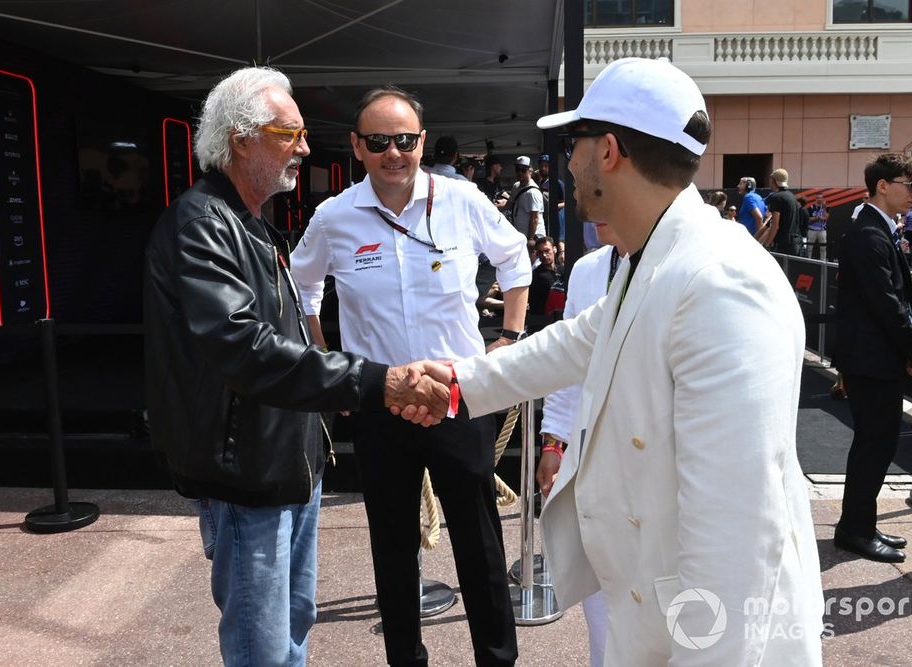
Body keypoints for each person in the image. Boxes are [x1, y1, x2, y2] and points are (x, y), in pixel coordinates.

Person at [403, 57, 824, 664]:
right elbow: (579, 340)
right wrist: (458, 386)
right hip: (649, 608)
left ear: (607, 151)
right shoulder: (651, 254)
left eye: (574, 142)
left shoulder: (721, 282)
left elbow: (736, 531)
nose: (567, 162)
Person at [142, 68, 447, 667]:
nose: (306, 147)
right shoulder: (202, 224)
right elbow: (243, 348)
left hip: (288, 467)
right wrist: (371, 380)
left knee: (290, 629)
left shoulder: (252, 225)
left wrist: (331, 386)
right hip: (247, 479)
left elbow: (286, 334)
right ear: (240, 138)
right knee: (263, 647)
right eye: (290, 133)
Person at [290, 86, 528, 666]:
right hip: (380, 403)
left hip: (458, 397)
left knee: (480, 546)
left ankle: (497, 659)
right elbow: (302, 287)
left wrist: (509, 340)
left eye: (405, 140)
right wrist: (329, 366)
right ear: (356, 147)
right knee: (392, 547)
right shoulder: (334, 216)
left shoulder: (462, 200)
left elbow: (516, 258)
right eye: (378, 142)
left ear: (422, 141)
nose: (393, 153)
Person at [832, 152, 912, 563]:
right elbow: (886, 302)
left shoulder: (876, 229)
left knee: (877, 442)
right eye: (909, 185)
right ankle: (854, 530)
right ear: (883, 185)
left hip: (873, 357)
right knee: (875, 443)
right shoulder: (869, 233)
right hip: (870, 359)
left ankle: (861, 524)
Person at [536, 219, 626, 667]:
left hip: (660, 468)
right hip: (592, 460)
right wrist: (554, 440)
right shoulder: (588, 269)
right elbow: (567, 362)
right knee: (600, 603)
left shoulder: (692, 264)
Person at [759, 168, 801, 255]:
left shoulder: (777, 198)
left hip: (783, 246)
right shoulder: (792, 196)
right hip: (795, 243)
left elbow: (775, 225)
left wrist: (766, 246)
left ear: (774, 181)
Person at [506, 155, 544, 241]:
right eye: (517, 169)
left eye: (523, 170)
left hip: (533, 237)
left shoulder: (533, 192)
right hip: (520, 236)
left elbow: (535, 218)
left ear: (530, 170)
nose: (520, 173)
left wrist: (530, 239)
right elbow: (508, 205)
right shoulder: (516, 186)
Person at [808, 194, 830, 260]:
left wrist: (824, 208)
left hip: (822, 230)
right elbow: (809, 219)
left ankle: (823, 261)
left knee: (823, 247)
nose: (819, 199)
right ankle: (808, 260)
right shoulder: (811, 207)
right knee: (809, 247)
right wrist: (817, 218)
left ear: (823, 199)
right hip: (812, 230)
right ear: (815, 199)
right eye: (818, 198)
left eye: (821, 198)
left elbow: (826, 217)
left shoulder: (826, 207)